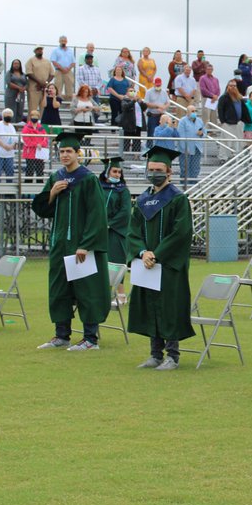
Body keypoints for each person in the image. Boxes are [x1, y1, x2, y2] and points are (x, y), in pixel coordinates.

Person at [32, 130, 111, 351]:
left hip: (80, 245)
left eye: (69, 151)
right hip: (59, 245)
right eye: (62, 151)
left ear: (78, 153)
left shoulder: (87, 179)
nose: (65, 155)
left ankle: (90, 338)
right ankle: (61, 335)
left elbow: (97, 214)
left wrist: (86, 244)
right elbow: (42, 209)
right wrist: (52, 194)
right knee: (59, 289)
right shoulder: (56, 178)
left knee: (86, 289)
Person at [126, 146, 196, 370]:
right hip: (147, 264)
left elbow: (181, 233)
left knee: (169, 307)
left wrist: (157, 254)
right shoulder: (143, 200)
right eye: (151, 169)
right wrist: (142, 253)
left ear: (169, 172)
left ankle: (172, 356)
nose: (154, 172)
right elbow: (132, 232)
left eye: (159, 169)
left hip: (169, 265)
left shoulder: (177, 200)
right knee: (150, 306)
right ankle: (155, 354)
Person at [98, 157, 131, 302]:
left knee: (116, 260)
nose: (117, 175)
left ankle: (121, 294)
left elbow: (125, 211)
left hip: (116, 231)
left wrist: (109, 224)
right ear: (107, 172)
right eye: (114, 171)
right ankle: (103, 293)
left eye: (119, 172)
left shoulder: (123, 191)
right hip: (99, 231)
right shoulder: (98, 187)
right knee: (100, 261)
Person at [176, 106, 206, 182]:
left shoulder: (199, 121)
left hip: (197, 148)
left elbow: (205, 132)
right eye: (192, 111)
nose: (194, 112)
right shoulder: (183, 121)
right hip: (186, 149)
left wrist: (201, 133)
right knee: (185, 168)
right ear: (187, 112)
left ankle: (193, 184)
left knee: (195, 168)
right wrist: (185, 148)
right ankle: (184, 185)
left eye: (195, 111)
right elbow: (181, 135)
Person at [26, 46, 54, 114]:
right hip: (34, 88)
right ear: (35, 51)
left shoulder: (47, 61)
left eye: (41, 49)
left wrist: (45, 83)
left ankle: (42, 124)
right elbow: (29, 73)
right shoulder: (30, 60)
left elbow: (52, 74)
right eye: (38, 49)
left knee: (44, 109)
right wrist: (39, 82)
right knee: (32, 109)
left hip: (45, 89)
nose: (40, 51)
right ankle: (31, 124)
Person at [21, 111, 48, 177]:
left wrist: (41, 144)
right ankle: (28, 183)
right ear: (30, 117)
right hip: (29, 152)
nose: (34, 118)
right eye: (33, 116)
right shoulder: (26, 128)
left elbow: (45, 138)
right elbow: (26, 140)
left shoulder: (41, 127)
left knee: (40, 169)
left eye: (36, 117)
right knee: (30, 169)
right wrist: (36, 144)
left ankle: (40, 182)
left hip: (39, 152)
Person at [50, 36, 75, 100]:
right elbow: (54, 61)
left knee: (69, 89)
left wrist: (68, 68)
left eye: (64, 41)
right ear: (59, 41)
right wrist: (62, 68)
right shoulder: (55, 50)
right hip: (59, 72)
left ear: (66, 41)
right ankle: (57, 103)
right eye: (62, 40)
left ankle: (68, 105)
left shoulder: (70, 51)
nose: (63, 42)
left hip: (68, 72)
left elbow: (73, 62)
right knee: (58, 88)